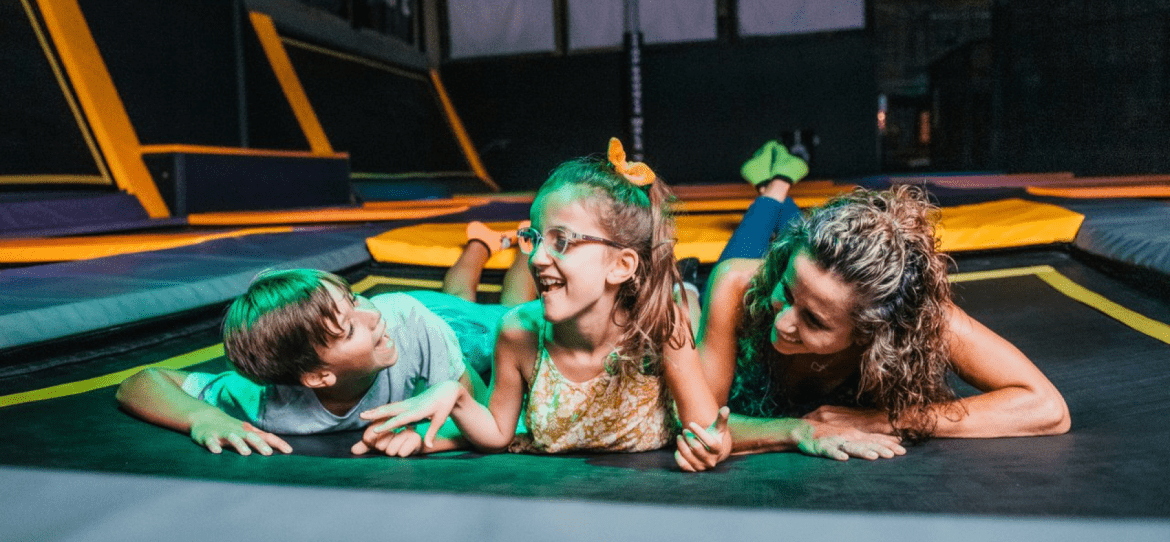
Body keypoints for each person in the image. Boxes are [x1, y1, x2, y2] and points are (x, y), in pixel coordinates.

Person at [357, 138, 732, 472]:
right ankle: (484, 243)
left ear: (621, 265)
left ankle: (487, 242)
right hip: (501, 329)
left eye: (562, 241)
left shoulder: (662, 329)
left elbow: (705, 427)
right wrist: (454, 396)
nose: (536, 258)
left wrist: (716, 445)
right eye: (534, 239)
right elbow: (498, 433)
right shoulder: (518, 333)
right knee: (491, 309)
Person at [696, 142, 1070, 460]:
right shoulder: (738, 285)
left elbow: (1047, 409)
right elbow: (700, 420)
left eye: (815, 321)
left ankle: (777, 187)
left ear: (871, 332)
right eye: (788, 292)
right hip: (752, 267)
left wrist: (886, 420)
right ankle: (776, 188)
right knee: (744, 254)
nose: (783, 322)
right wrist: (800, 430)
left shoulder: (915, 318)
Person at [115, 264, 512, 457]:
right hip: (428, 332)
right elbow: (142, 382)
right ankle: (478, 244)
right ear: (318, 376)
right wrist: (203, 417)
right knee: (466, 304)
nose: (371, 315)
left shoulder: (398, 318)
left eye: (354, 299)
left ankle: (481, 248)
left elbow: (483, 414)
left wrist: (431, 436)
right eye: (349, 330)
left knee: (513, 321)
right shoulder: (267, 402)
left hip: (438, 326)